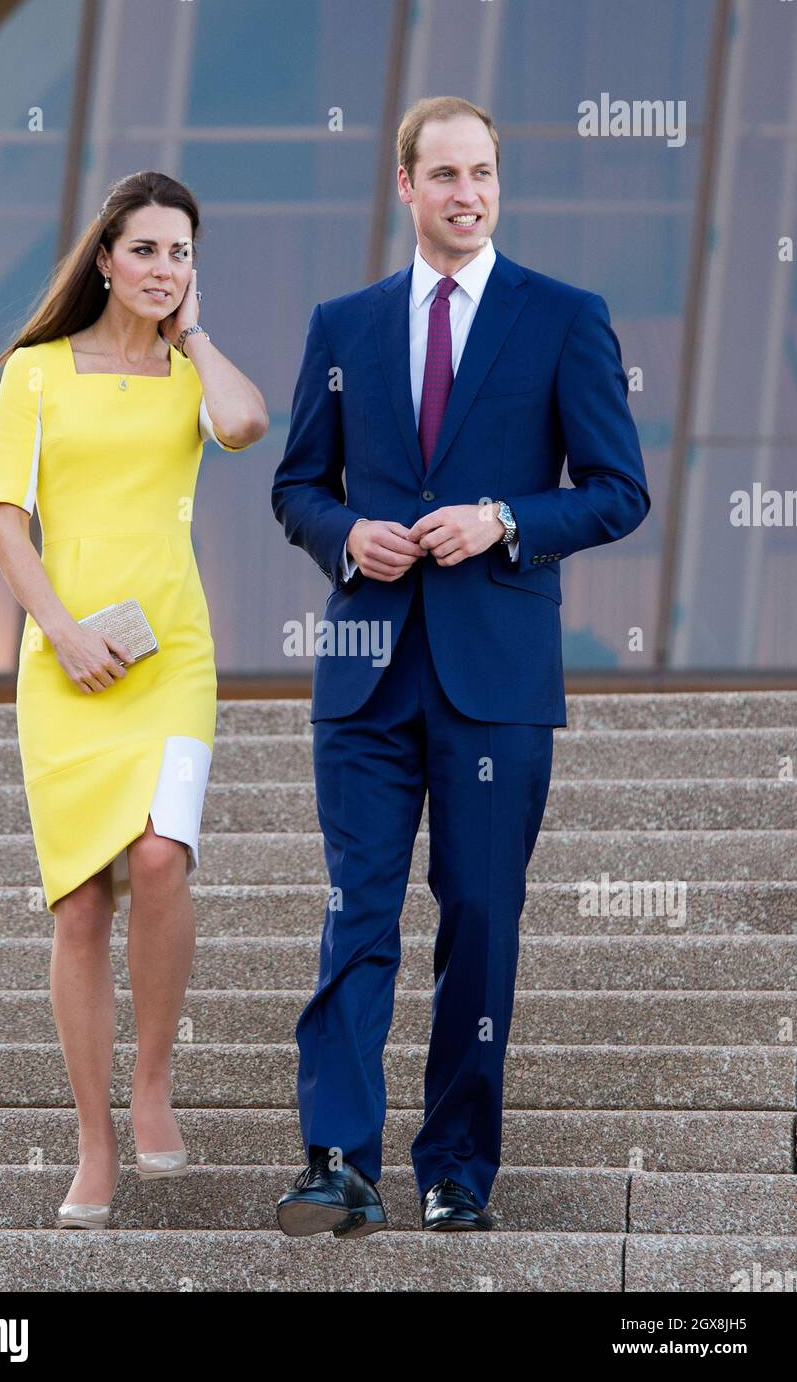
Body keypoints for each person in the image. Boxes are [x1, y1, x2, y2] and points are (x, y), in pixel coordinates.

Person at [271, 96, 649, 1236]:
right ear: (404, 187)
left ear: (497, 180)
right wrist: (345, 535)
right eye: (442, 175)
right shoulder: (342, 325)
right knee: (357, 914)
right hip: (365, 677)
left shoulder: (562, 317)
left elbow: (615, 490)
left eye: (481, 171)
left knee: (480, 918)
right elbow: (297, 485)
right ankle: (337, 1160)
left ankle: (454, 1168)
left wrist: (501, 519)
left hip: (494, 675)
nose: (465, 193)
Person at [0, 170, 267, 1229]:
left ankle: (153, 1081)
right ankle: (94, 1143)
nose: (161, 269)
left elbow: (245, 423)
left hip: (174, 660)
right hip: (63, 667)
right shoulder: (34, 374)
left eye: (180, 253)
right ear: (103, 258)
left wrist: (191, 336)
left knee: (158, 855)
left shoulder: (194, 374)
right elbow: (7, 523)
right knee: (78, 903)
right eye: (144, 250)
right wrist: (61, 629)